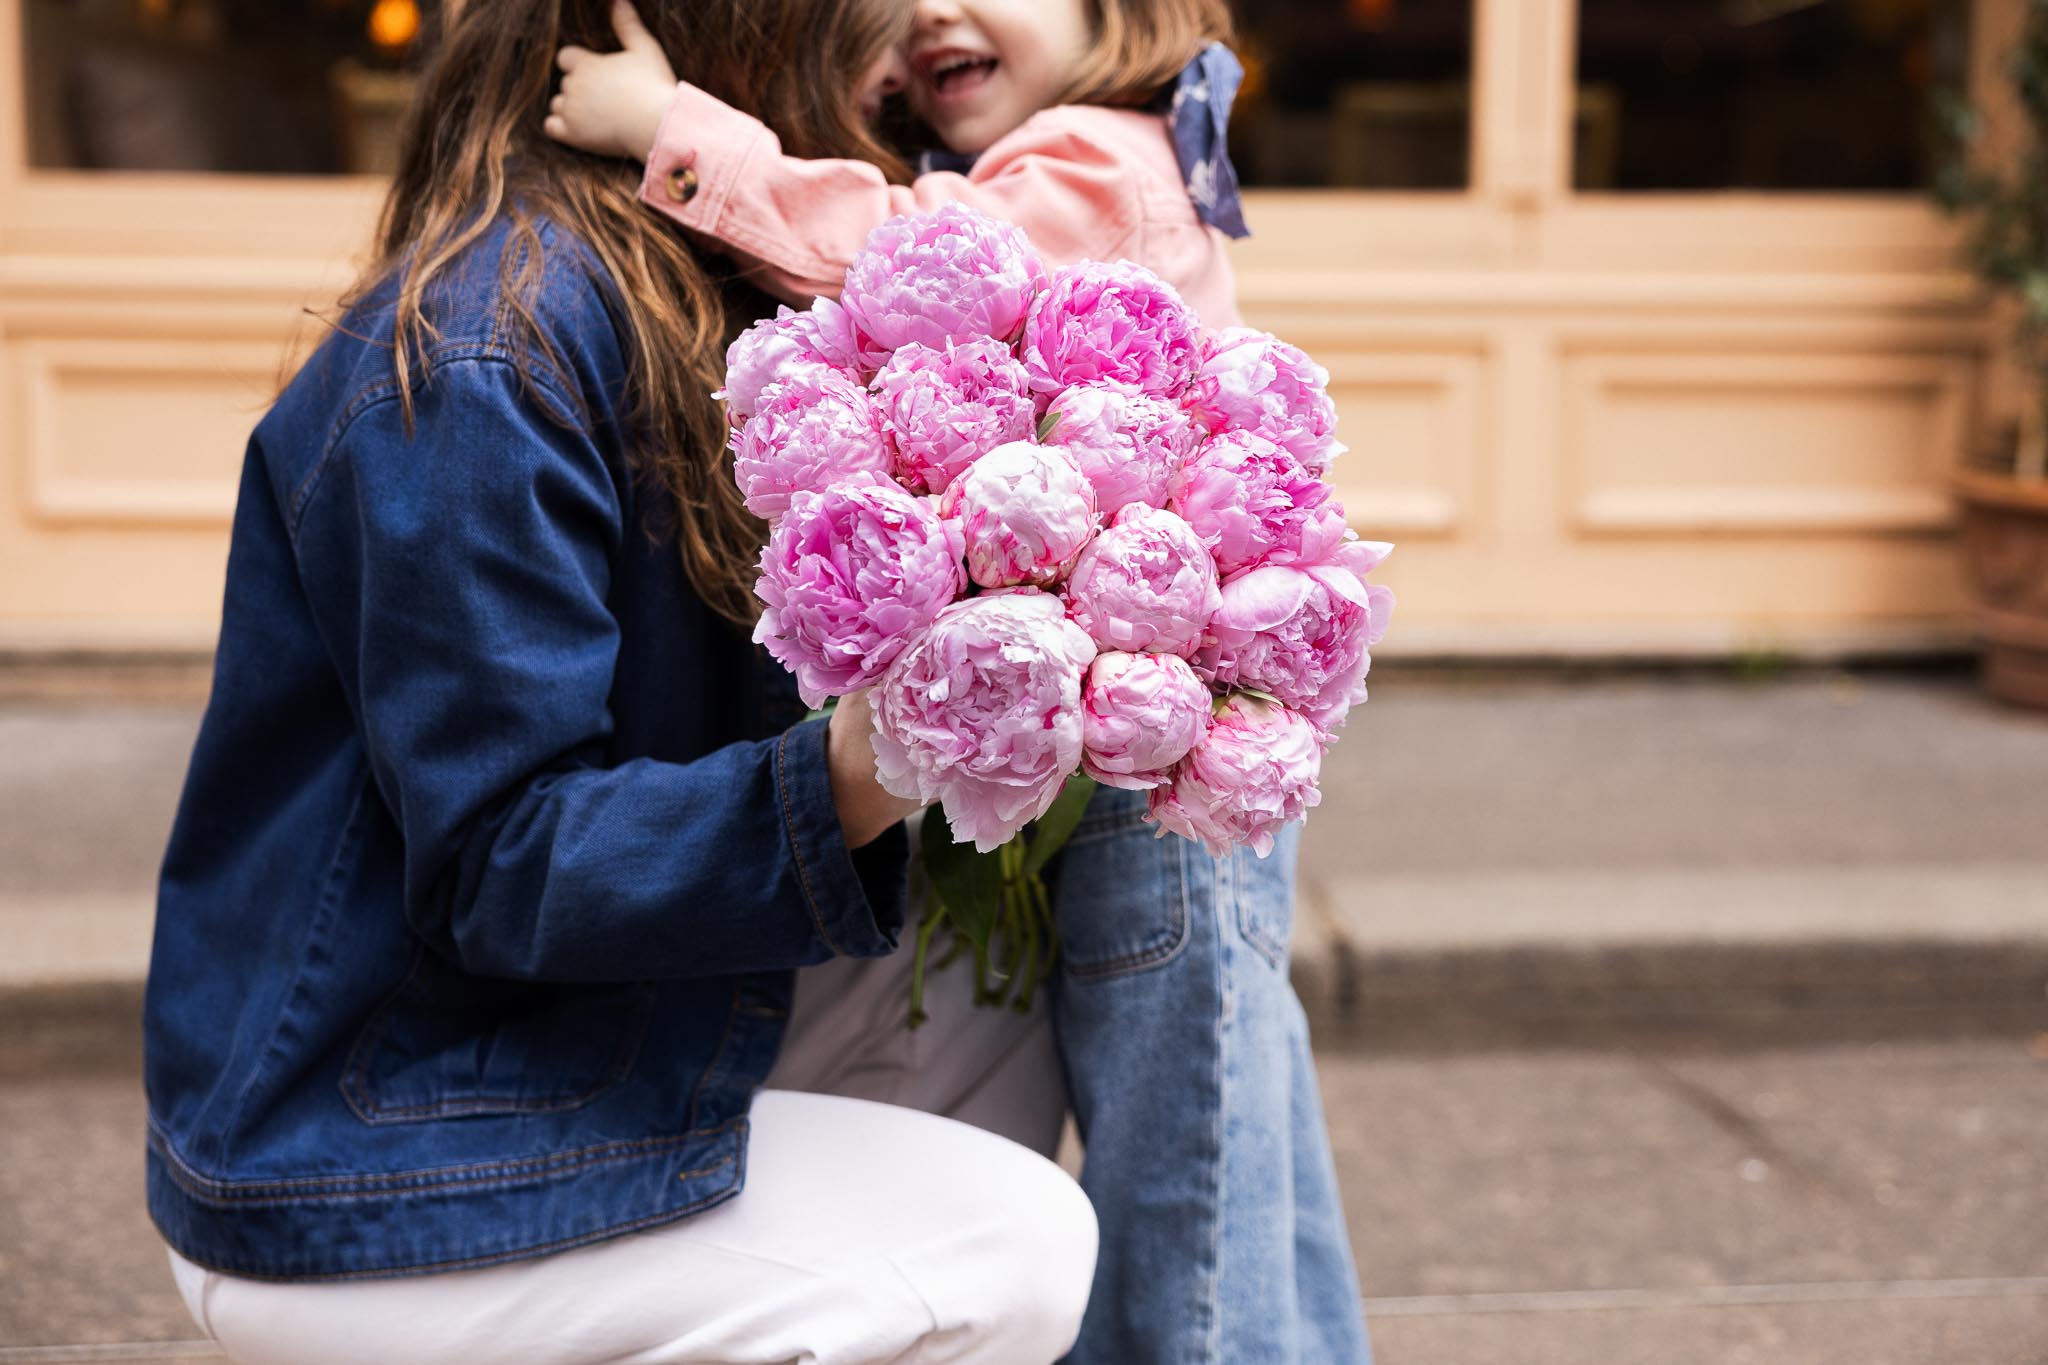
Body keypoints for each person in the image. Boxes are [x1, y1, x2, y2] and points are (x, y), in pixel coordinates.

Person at [141, 2, 1098, 1362]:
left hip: (554, 1056)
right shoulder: (484, 348)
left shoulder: (709, 298)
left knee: (994, 1021)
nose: (899, 62)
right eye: (859, 20)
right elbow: (506, 863)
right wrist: (873, 761)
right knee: (1013, 1239)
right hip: (369, 1145)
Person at [546, 3, 1374, 1361]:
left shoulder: (1089, 161)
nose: (934, 8)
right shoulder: (1081, 152)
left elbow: (896, 270)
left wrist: (671, 130)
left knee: (1193, 1148)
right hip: (1149, 739)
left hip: (1155, 773)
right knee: (1234, 1116)